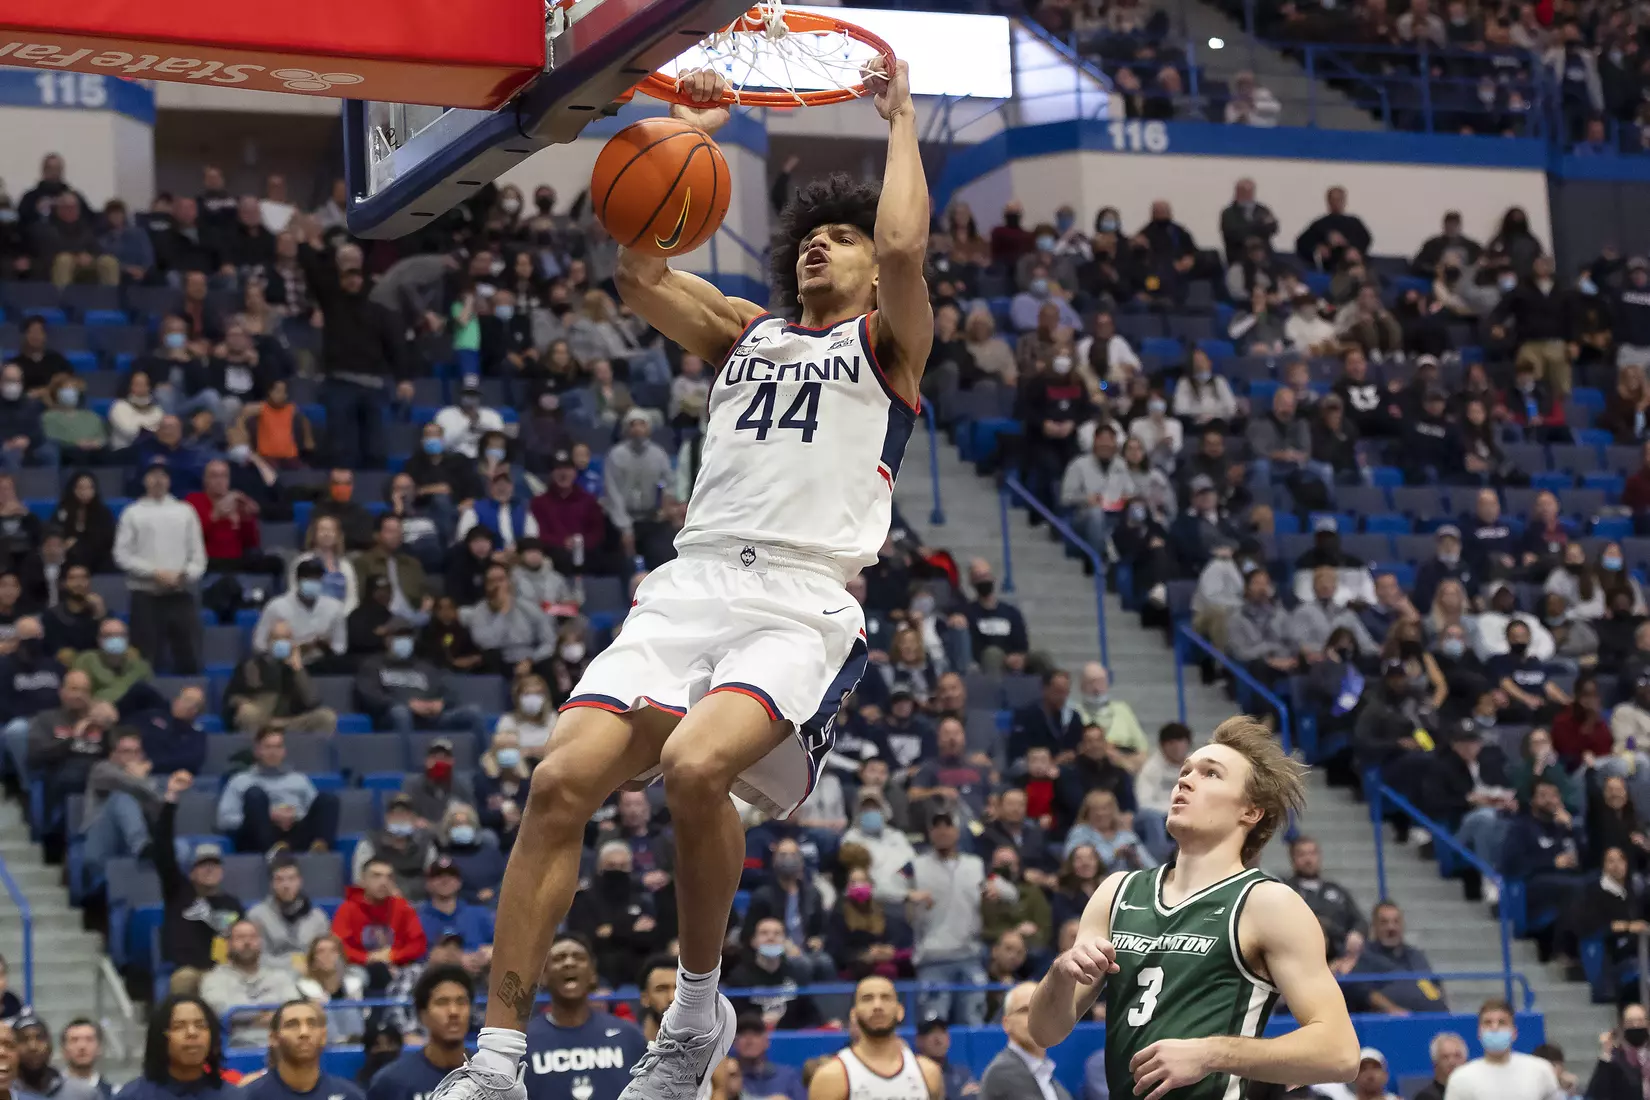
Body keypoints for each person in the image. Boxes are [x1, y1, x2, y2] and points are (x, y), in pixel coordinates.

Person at [436, 61, 933, 1100]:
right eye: (809, 235)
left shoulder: (889, 344)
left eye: (837, 236)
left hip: (799, 597)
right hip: (692, 581)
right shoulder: (747, 330)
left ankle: (696, 1012)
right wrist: (683, 131)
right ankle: (495, 1062)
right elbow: (638, 271)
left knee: (697, 767)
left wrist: (898, 123)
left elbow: (901, 247)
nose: (820, 244)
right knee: (556, 783)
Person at [1026, 717, 1359, 1099]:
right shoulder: (1116, 891)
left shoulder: (1267, 903)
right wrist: (1060, 973)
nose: (1184, 781)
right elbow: (1044, 1032)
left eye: (1210, 774)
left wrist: (1211, 1053)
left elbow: (1340, 1052)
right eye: (1185, 771)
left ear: (1250, 811)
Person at [524, 933, 649, 1100]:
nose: (569, 963)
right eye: (559, 958)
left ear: (593, 974)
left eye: (579, 957)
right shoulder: (524, 1043)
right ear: (543, 976)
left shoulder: (629, 1037)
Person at [114, 464, 206, 673]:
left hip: (180, 594)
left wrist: (183, 575)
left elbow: (198, 557)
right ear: (144, 480)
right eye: (152, 475)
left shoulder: (185, 511)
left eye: (162, 475)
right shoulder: (132, 513)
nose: (158, 480)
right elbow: (122, 555)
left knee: (189, 658)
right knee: (144, 660)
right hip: (145, 596)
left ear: (169, 480)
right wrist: (154, 573)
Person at [154, 773, 245, 979]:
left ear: (222, 872)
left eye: (214, 865)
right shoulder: (177, 892)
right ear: (191, 873)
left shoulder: (233, 905)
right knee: (185, 979)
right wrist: (170, 801)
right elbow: (162, 850)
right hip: (189, 972)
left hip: (225, 974)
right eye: (203, 866)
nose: (209, 870)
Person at [807, 976, 943, 1100]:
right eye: (867, 999)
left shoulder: (928, 1073)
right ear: (854, 1014)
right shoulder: (831, 1077)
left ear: (900, 1011)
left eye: (886, 998)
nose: (877, 1006)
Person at [910, 808, 987, 1025]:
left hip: (969, 955)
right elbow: (884, 887)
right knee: (933, 1024)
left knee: (974, 1023)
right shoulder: (915, 865)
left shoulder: (976, 865)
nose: (942, 831)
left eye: (947, 826)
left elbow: (1006, 890)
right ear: (930, 832)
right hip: (932, 957)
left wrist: (995, 891)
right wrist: (907, 894)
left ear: (957, 831)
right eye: (937, 827)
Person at [215, 727, 340, 855]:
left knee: (328, 799)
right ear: (257, 751)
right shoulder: (240, 780)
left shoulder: (299, 779)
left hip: (295, 834)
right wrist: (269, 816)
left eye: (278, 747)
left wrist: (294, 816)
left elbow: (315, 814)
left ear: (284, 751)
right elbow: (224, 820)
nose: (273, 752)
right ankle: (274, 853)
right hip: (259, 838)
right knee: (255, 794)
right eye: (268, 747)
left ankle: (319, 852)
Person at [364, 967, 475, 1100]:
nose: (454, 1011)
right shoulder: (391, 1082)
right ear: (422, 1015)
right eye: (442, 1002)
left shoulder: (490, 1076)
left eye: (461, 1002)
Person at [221, 620, 337, 735]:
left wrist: (297, 668)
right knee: (248, 713)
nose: (281, 642)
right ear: (268, 641)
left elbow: (312, 701)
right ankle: (257, 746)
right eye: (276, 638)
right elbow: (231, 699)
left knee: (326, 717)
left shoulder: (297, 668)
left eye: (286, 638)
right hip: (262, 722)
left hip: (289, 722)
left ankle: (313, 748)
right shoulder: (251, 665)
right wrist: (245, 704)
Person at [198, 919, 301, 1047]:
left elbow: (295, 1008)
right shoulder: (214, 979)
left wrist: (245, 1016)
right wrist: (269, 1016)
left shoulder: (280, 977)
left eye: (252, 937)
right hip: (236, 1047)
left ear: (260, 942)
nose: (247, 942)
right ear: (228, 944)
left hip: (282, 1047)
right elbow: (219, 1011)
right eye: (240, 937)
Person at [113, 994, 236, 1100]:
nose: (192, 1033)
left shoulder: (232, 1095)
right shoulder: (133, 1096)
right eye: (179, 1026)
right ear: (159, 1037)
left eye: (200, 1025)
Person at [241, 999, 365, 1100]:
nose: (304, 1032)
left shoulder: (350, 1095)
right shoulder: (249, 1096)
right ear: (273, 1038)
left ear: (323, 1036)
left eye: (312, 1024)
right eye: (292, 1025)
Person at [1442, 999, 1560, 1100]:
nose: (1494, 1028)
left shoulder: (1540, 1070)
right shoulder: (1461, 1078)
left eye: (1502, 1022)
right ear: (1479, 1033)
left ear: (1514, 1032)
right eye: (1488, 1023)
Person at [332, 858, 429, 977]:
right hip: (358, 969)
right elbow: (339, 947)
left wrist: (393, 956)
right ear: (363, 880)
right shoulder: (348, 909)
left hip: (398, 968)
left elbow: (418, 945)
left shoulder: (403, 907)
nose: (383, 882)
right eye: (376, 876)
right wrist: (367, 958)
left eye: (389, 877)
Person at [976, 982, 1071, 1100]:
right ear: (1006, 1023)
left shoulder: (1052, 1082)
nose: (1035, 1017)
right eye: (1025, 1010)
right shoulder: (1002, 1073)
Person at [247, 856, 334, 967]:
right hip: (271, 974)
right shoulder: (256, 916)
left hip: (310, 974)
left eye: (291, 879)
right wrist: (293, 965)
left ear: (300, 881)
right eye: (279, 880)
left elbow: (326, 955)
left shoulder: (318, 917)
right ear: (272, 884)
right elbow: (255, 957)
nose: (286, 885)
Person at [13, 1013, 97, 1100]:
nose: (33, 1047)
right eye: (23, 1039)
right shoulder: (7, 1092)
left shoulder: (83, 1094)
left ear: (50, 1045)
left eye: (40, 1038)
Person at [728, 1015, 802, 1100]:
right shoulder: (728, 1078)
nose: (749, 1040)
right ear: (735, 1042)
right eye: (743, 1034)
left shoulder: (788, 1077)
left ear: (767, 1041)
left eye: (756, 1034)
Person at [1415, 1033, 1469, 1100]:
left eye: (1457, 1056)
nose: (1452, 1062)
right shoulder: (1426, 1097)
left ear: (1465, 1061)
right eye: (1445, 1057)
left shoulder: (1474, 1092)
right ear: (1435, 1063)